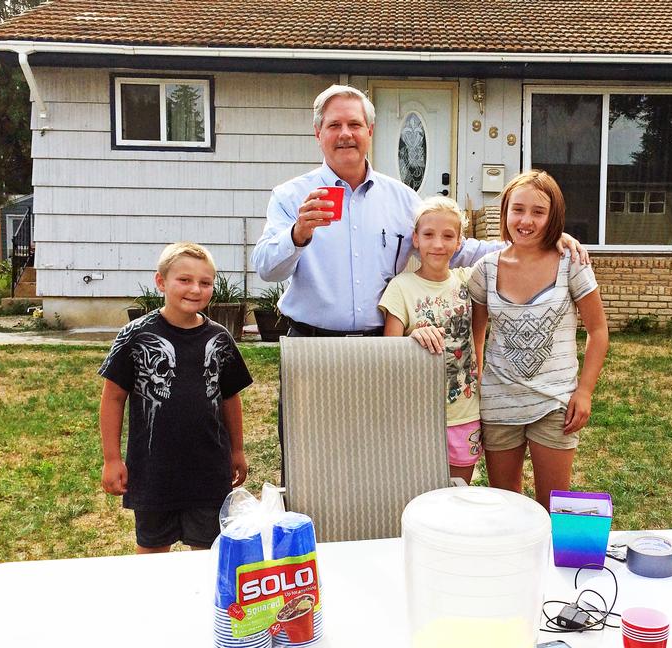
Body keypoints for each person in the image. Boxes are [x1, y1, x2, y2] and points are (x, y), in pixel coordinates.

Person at [250, 84, 589, 337]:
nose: (345, 134)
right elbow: (266, 269)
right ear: (318, 133)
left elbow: (456, 248)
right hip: (311, 341)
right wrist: (298, 234)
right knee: (307, 420)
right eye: (334, 125)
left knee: (380, 419)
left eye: (354, 124)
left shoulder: (401, 199)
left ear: (370, 131)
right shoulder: (292, 196)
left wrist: (533, 242)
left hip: (383, 341)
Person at [98, 242, 253, 553]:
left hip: (209, 472)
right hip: (153, 471)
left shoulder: (220, 339)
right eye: (184, 280)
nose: (195, 289)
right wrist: (112, 459)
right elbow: (113, 398)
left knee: (209, 556)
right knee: (152, 555)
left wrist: (237, 450)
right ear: (161, 282)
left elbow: (230, 398)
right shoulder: (134, 336)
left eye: (205, 282)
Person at [469, 171, 609, 511]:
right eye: (517, 210)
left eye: (538, 212)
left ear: (554, 216)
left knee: (553, 505)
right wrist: (478, 384)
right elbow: (476, 337)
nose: (526, 220)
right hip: (500, 405)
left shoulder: (571, 263)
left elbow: (598, 331)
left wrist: (585, 391)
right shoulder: (485, 270)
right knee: (508, 508)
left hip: (555, 403)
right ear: (505, 212)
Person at [379, 197, 481, 484]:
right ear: (415, 239)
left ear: (459, 242)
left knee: (458, 493)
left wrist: (557, 238)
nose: (438, 244)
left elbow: (515, 257)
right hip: (416, 416)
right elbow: (388, 354)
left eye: (448, 236)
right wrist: (413, 337)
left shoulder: (470, 280)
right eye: (428, 235)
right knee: (416, 494)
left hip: (464, 412)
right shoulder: (400, 287)